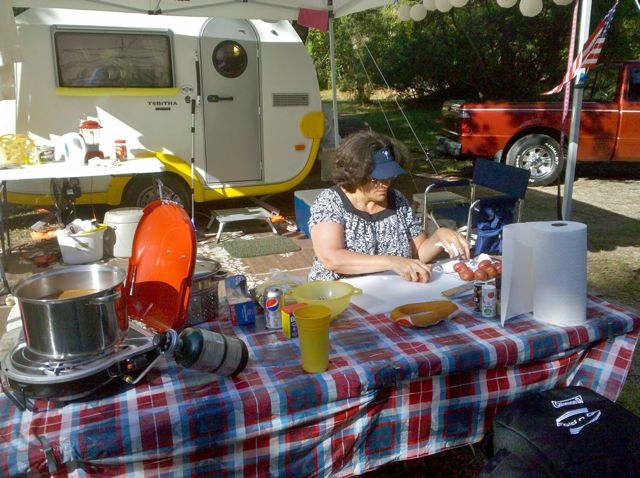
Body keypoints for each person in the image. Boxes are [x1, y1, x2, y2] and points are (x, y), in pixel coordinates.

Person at [308, 130, 470, 283]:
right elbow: (332, 259)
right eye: (377, 177)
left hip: (387, 292)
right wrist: (391, 262)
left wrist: (439, 237)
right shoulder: (331, 201)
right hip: (337, 295)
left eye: (389, 175)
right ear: (356, 174)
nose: (386, 182)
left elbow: (417, 253)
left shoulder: (397, 199)